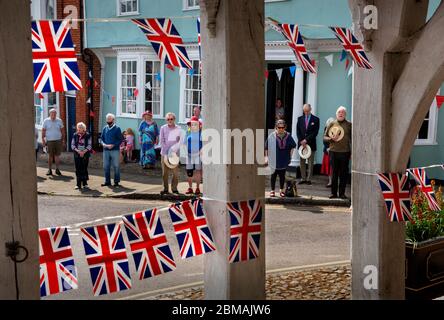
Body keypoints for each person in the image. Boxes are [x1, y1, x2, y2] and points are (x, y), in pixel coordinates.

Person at [324, 106, 352, 199]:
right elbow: (324, 137)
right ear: (336, 114)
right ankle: (333, 193)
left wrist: (352, 152)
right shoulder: (332, 123)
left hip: (345, 152)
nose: (341, 114)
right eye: (339, 112)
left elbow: (352, 139)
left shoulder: (349, 125)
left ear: (345, 114)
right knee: (334, 173)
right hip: (333, 152)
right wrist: (331, 139)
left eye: (343, 112)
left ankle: (342, 193)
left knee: (343, 174)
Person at [265, 120, 297, 197]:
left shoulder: (288, 136)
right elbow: (266, 147)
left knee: (282, 176)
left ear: (284, 127)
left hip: (284, 159)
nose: (281, 129)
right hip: (273, 159)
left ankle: (281, 190)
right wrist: (267, 157)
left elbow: (293, 146)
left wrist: (290, 156)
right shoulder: (272, 135)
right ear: (276, 127)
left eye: (282, 127)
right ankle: (272, 190)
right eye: (279, 127)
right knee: (273, 176)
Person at [159, 112, 183, 195]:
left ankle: (174, 188)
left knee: (175, 173)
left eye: (171, 119)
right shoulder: (163, 128)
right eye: (168, 119)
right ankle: (165, 189)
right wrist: (167, 152)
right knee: (164, 173)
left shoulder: (178, 128)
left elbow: (180, 141)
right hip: (164, 153)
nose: (169, 120)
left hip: (174, 154)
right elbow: (162, 141)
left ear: (174, 119)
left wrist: (173, 151)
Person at [296, 103, 320, 185]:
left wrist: (306, 140)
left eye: (307, 111)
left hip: (311, 143)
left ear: (310, 109)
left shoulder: (316, 119)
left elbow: (315, 132)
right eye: (304, 111)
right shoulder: (299, 119)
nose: (306, 112)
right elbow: (298, 131)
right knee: (301, 162)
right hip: (301, 144)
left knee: (310, 162)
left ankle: (309, 179)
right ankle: (303, 178)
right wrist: (301, 141)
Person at [101, 113, 123, 187]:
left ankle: (116, 182)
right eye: (107, 119)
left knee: (116, 166)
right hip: (106, 150)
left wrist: (113, 145)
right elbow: (101, 139)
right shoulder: (105, 128)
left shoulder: (117, 128)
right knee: (106, 166)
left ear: (113, 120)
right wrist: (104, 144)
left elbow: (120, 140)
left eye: (109, 119)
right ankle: (107, 181)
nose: (108, 121)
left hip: (115, 150)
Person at [42, 108, 65, 176]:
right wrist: (43, 139)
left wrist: (63, 140)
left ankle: (57, 169)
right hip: (49, 141)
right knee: (50, 156)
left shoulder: (59, 120)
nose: (53, 115)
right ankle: (50, 170)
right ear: (50, 114)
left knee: (57, 155)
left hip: (58, 140)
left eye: (55, 114)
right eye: (52, 114)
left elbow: (62, 131)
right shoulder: (46, 121)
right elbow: (43, 130)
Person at [71, 122, 92, 190]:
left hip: (85, 154)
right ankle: (78, 184)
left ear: (84, 129)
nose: (79, 129)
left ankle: (85, 183)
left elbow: (89, 145)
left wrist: (84, 151)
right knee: (78, 169)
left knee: (84, 168)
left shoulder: (88, 135)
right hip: (77, 154)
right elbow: (72, 145)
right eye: (78, 128)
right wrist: (78, 151)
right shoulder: (75, 135)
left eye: (81, 128)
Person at [185, 116, 202, 195]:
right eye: (191, 124)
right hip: (189, 155)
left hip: (198, 155)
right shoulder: (188, 132)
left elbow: (203, 146)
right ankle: (190, 188)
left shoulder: (201, 134)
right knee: (189, 172)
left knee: (198, 172)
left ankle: (198, 188)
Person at [321, 118, 335, 187]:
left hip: (334, 150)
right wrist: (327, 148)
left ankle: (334, 181)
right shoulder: (326, 129)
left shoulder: (336, 129)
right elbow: (324, 140)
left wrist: (331, 148)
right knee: (329, 168)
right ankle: (330, 181)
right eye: (329, 124)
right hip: (327, 151)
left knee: (333, 167)